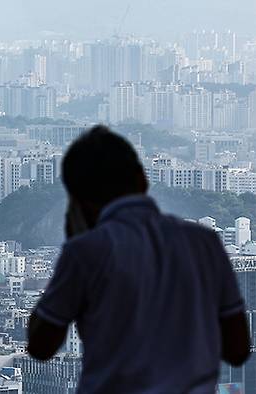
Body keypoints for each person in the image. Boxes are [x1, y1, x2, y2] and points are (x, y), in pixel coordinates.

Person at [26, 125, 251, 393]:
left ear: (78, 199)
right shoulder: (205, 243)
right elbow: (237, 349)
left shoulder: (86, 252)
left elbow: (40, 345)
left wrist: (75, 242)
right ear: (143, 179)